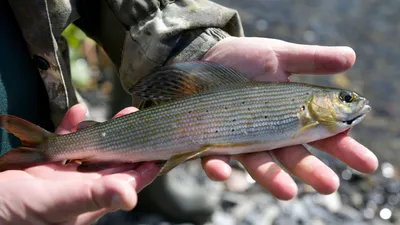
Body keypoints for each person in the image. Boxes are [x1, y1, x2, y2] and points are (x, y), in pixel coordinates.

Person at [0, 0, 378, 224]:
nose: (352, 103)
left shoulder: (307, 117)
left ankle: (56, 149)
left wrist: (189, 45)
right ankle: (52, 148)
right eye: (345, 100)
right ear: (316, 104)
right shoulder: (303, 115)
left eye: (344, 100)